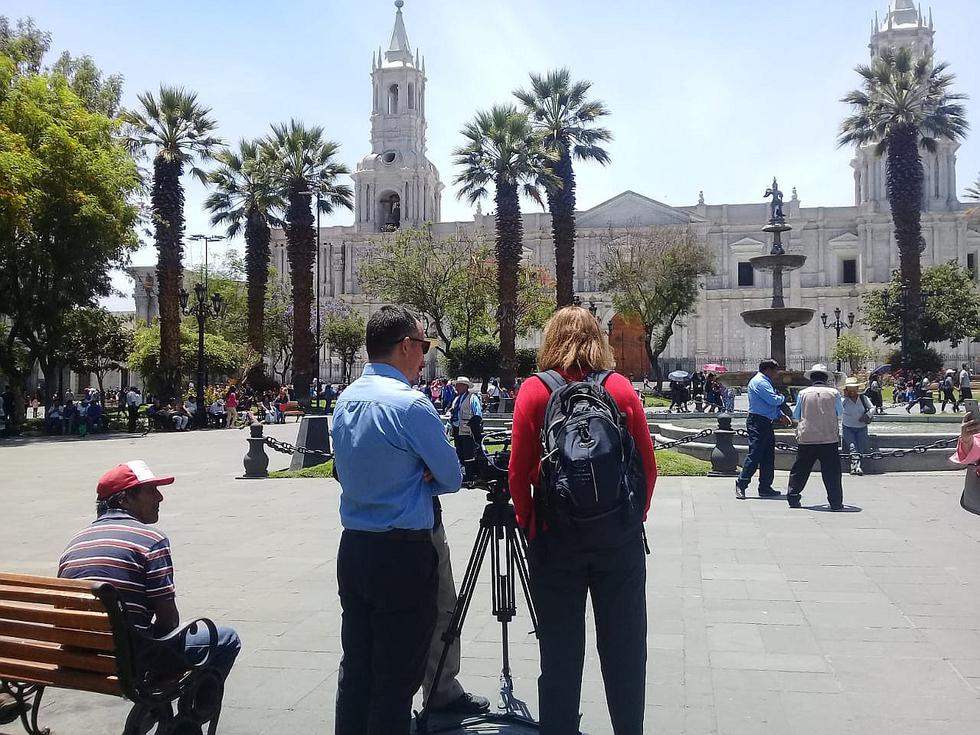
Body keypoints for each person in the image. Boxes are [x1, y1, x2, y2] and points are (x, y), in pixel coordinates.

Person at [509, 305, 657, 735]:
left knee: (559, 652)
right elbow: (647, 467)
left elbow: (519, 473)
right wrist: (631, 518)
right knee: (626, 648)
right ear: (600, 339)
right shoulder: (621, 389)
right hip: (619, 543)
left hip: (556, 540)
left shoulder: (535, 391)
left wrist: (530, 522)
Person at [331, 305, 472, 734]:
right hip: (403, 553)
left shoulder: (346, 398)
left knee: (356, 665)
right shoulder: (412, 406)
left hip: (354, 547)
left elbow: (344, 467)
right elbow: (451, 476)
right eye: (424, 345)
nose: (426, 356)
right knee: (397, 674)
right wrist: (421, 475)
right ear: (406, 346)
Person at [58, 461, 241, 684]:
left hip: (81, 654)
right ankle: (191, 712)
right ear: (125, 499)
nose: (160, 497)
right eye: (151, 490)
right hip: (129, 659)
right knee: (227, 638)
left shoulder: (76, 542)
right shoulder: (151, 541)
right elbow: (169, 621)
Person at [787, 364, 845, 510]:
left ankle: (793, 497)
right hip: (828, 437)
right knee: (832, 472)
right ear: (826, 379)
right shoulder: (834, 393)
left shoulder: (803, 393)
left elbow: (796, 414)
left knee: (800, 469)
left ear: (811, 379)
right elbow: (840, 411)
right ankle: (836, 502)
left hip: (807, 437)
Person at [735, 359, 788, 500]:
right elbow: (773, 400)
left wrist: (780, 415)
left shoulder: (764, 381)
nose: (777, 374)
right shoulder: (760, 382)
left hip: (765, 421)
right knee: (755, 455)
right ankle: (741, 483)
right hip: (757, 422)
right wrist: (782, 397)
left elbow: (769, 405)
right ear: (768, 370)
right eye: (775, 370)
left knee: (768, 456)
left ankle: (765, 487)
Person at [447, 376, 483, 467]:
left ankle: (470, 472)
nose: (456, 388)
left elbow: (477, 414)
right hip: (456, 430)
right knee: (459, 453)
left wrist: (475, 428)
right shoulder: (456, 399)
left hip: (467, 431)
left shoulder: (472, 398)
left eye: (458, 386)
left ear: (465, 386)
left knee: (468, 454)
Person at [841, 377, 874, 475]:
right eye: (849, 389)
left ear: (857, 389)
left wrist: (866, 415)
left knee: (861, 447)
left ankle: (856, 466)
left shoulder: (864, 398)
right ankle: (856, 466)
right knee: (853, 447)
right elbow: (837, 411)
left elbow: (872, 408)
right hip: (848, 427)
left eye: (853, 389)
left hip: (861, 427)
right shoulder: (843, 400)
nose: (852, 391)